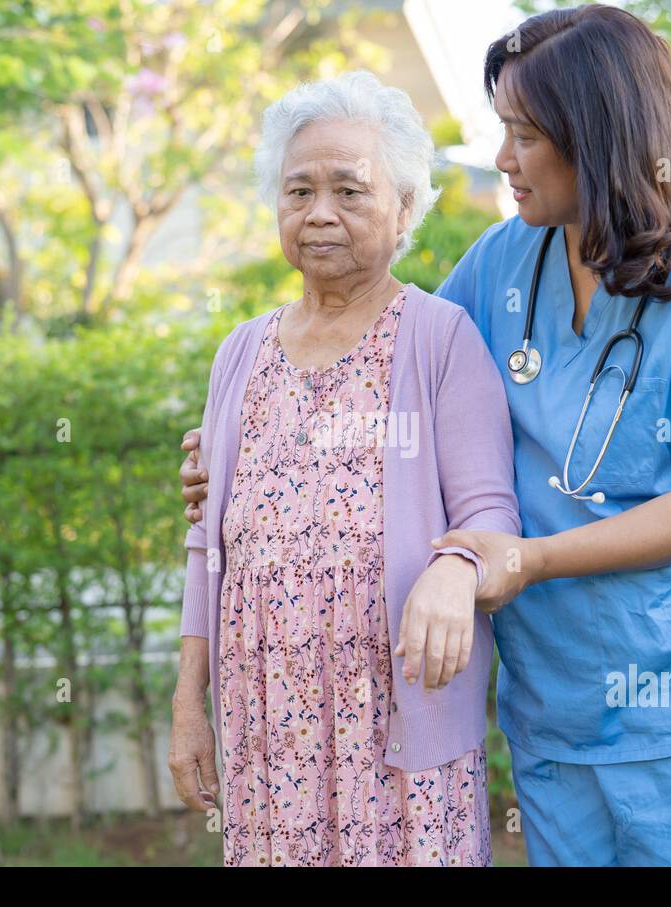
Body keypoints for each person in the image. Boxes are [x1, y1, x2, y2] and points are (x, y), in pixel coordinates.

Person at [183, 5, 671, 866]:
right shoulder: (506, 260)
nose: (503, 158)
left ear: (598, 133)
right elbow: (394, 370)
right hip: (553, 701)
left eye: (523, 133)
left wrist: (529, 558)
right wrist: (247, 449)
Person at [168, 71, 520, 866]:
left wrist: (458, 565)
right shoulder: (240, 355)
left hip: (399, 724)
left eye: (349, 191)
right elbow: (207, 545)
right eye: (298, 191)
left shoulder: (440, 339)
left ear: (404, 210)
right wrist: (189, 704)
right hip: (266, 730)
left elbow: (493, 517)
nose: (319, 212)